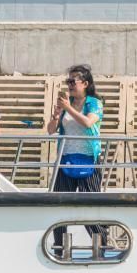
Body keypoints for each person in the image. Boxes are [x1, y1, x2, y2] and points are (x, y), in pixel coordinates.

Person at [51, 64, 103, 192]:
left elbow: (88, 122)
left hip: (89, 157)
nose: (69, 85)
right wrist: (56, 116)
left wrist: (68, 108)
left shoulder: (94, 103)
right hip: (66, 157)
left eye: (72, 82)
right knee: (62, 199)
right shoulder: (67, 103)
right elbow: (51, 130)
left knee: (89, 200)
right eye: (68, 81)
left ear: (85, 84)